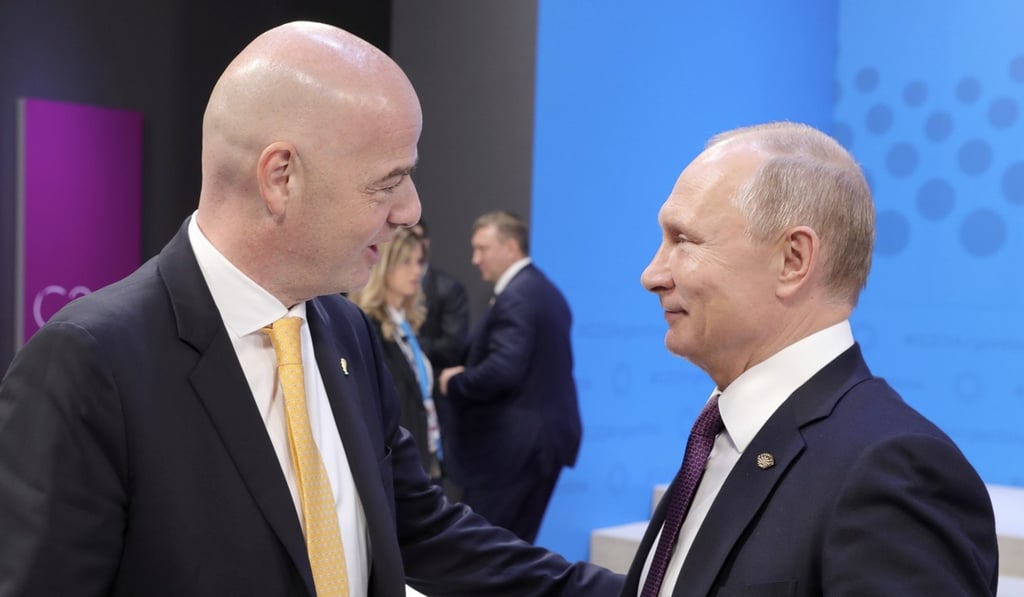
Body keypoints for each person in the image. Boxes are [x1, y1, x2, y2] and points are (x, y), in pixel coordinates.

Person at [0, 21, 624, 597]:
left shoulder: (344, 330)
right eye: (387, 180)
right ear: (281, 178)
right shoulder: (93, 363)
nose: (409, 209)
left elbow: (421, 531)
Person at [623, 121, 999, 596]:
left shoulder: (892, 470)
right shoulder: (726, 432)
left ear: (793, 260)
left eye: (684, 240)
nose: (651, 275)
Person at [439, 210, 582, 544]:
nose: (475, 259)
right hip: (535, 446)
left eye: (482, 248)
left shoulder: (517, 296)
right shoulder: (542, 290)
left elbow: (503, 370)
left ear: (510, 246)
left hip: (514, 450)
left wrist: (455, 381)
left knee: (487, 553)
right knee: (512, 552)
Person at [349, 227, 443, 482]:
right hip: (397, 462)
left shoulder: (405, 324)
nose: (416, 271)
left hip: (424, 449)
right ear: (384, 265)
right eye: (406, 262)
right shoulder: (368, 326)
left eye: (419, 262)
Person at [410, 218, 470, 371]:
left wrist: (408, 343)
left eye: (415, 238)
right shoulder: (374, 292)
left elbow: (452, 346)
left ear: (426, 243)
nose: (408, 245)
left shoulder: (447, 289)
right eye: (403, 238)